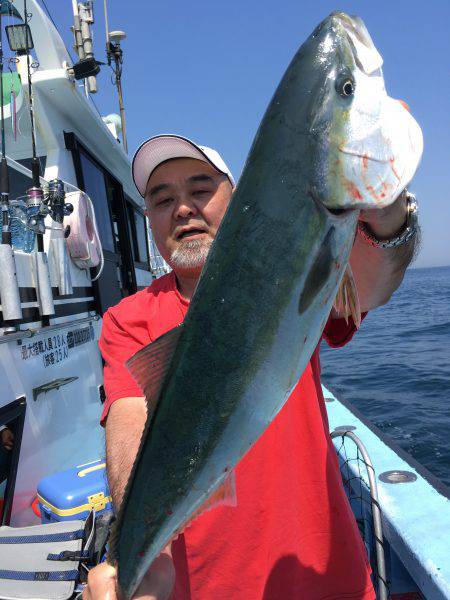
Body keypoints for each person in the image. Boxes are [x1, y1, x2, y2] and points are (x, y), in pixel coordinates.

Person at [83, 134, 418, 600]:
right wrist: (143, 552)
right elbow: (128, 422)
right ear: (149, 221)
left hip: (328, 582)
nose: (183, 209)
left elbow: (373, 280)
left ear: (235, 200)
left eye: (201, 190)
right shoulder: (128, 319)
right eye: (163, 199)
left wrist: (389, 216)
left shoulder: (285, 275)